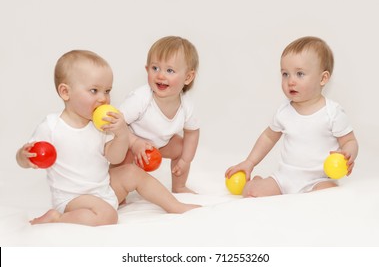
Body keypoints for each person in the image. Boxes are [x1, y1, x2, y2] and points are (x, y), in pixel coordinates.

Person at [16, 50, 200, 226]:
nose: (103, 98)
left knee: (132, 172)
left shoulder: (100, 125)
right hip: (73, 198)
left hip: (104, 189)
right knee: (107, 216)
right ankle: (57, 218)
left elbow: (115, 158)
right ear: (66, 92)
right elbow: (26, 158)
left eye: (107, 91)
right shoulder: (51, 126)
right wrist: (23, 157)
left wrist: (121, 134)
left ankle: (175, 206)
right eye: (94, 91)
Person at [225, 36, 359, 197]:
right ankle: (259, 181)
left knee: (331, 196)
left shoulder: (332, 113)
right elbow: (268, 137)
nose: (290, 81)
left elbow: (349, 141)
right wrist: (249, 162)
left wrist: (348, 155)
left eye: (300, 74)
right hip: (284, 179)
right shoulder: (284, 112)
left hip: (318, 180)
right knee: (250, 192)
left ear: (323, 78)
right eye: (285, 74)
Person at [117, 36, 200, 194]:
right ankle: (119, 192)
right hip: (131, 143)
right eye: (155, 68)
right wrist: (134, 143)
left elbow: (192, 132)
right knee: (121, 158)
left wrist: (185, 160)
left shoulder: (186, 104)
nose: (160, 76)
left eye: (169, 70)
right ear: (147, 69)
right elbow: (117, 126)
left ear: (188, 77)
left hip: (161, 144)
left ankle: (179, 186)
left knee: (182, 147)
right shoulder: (140, 98)